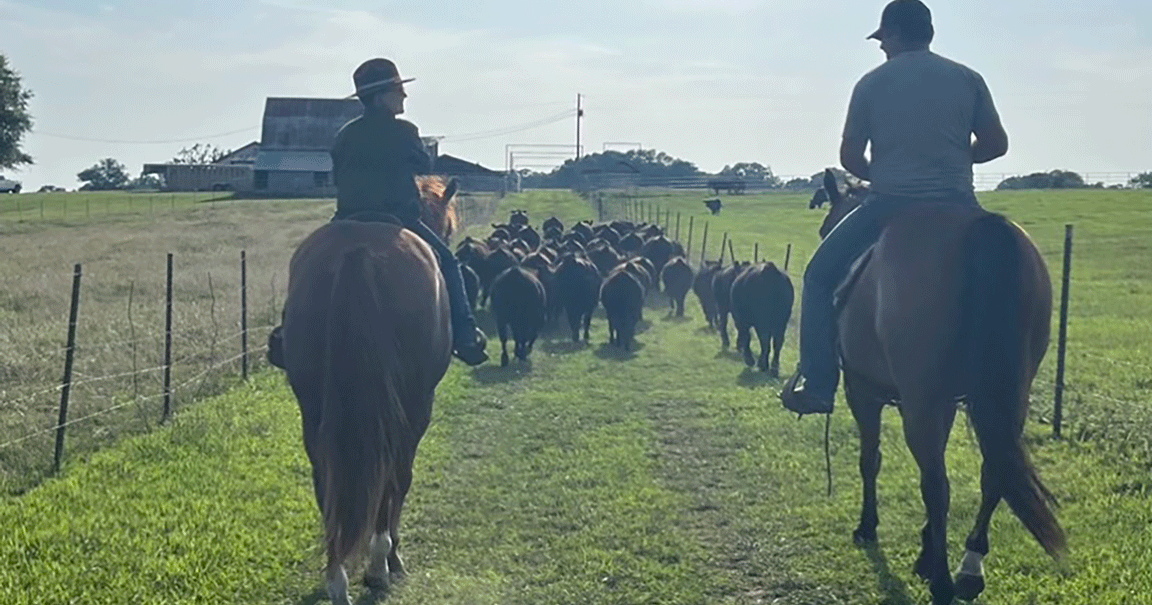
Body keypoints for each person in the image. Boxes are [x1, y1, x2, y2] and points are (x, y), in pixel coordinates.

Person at [779, 0, 1010, 415]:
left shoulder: (871, 83)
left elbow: (849, 156)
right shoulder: (968, 78)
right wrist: (953, 156)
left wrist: (878, 170)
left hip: (890, 203)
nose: (881, 46)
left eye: (883, 38)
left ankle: (819, 384)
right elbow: (996, 145)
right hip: (960, 204)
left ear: (898, 34)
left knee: (817, 277)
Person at [267, 58, 489, 368]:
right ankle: (465, 337)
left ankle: (286, 334)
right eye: (399, 89)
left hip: (346, 218)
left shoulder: (344, 134)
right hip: (400, 219)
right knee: (449, 263)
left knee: (306, 259)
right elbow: (423, 167)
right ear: (382, 95)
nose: (404, 96)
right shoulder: (405, 131)